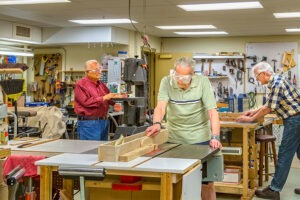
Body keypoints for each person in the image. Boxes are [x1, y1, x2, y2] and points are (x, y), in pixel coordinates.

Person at [146, 57, 222, 200]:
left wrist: (215, 136)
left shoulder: (203, 82)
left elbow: (212, 112)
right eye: (177, 76)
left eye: (185, 77)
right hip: (174, 139)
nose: (180, 81)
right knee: (174, 180)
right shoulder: (166, 81)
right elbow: (161, 106)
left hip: (200, 139)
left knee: (207, 183)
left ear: (193, 74)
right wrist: (157, 122)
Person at [236, 61, 300, 200]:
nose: (257, 79)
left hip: (295, 119)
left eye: (257, 76)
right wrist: (253, 112)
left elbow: (269, 108)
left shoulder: (276, 83)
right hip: (297, 117)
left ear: (264, 73)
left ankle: (274, 189)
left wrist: (250, 119)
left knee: (284, 153)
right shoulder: (276, 80)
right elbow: (268, 103)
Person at [74, 60, 120, 140]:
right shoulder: (81, 84)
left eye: (100, 69)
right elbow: (86, 102)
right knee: (91, 150)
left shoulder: (101, 84)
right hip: (89, 123)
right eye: (96, 70)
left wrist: (115, 102)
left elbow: (108, 97)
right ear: (87, 72)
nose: (99, 72)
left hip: (103, 121)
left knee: (102, 149)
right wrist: (103, 98)